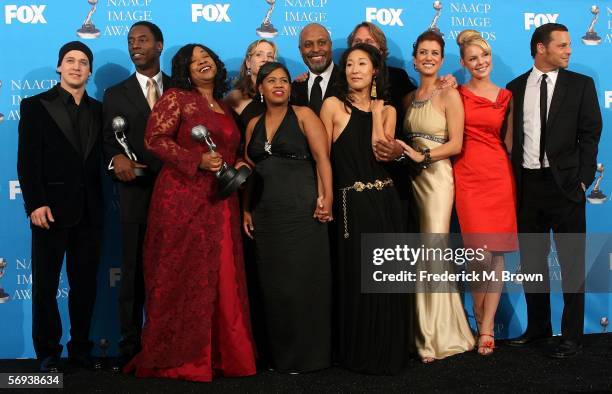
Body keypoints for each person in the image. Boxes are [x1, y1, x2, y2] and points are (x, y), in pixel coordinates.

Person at [124, 44, 256, 381]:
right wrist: (195, 159)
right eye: (194, 61)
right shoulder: (176, 99)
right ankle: (183, 359)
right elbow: (154, 138)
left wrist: (238, 162)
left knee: (223, 275)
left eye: (207, 57)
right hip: (182, 200)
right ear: (185, 69)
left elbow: (231, 148)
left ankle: (224, 357)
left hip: (221, 201)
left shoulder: (225, 106)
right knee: (183, 276)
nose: (203, 63)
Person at [506, 23, 602, 358]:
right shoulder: (514, 87)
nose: (569, 50)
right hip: (528, 186)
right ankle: (538, 328)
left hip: (566, 188)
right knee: (533, 261)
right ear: (540, 48)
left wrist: (583, 179)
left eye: (569, 44)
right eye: (561, 45)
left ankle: (572, 334)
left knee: (572, 263)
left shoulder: (581, 85)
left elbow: (590, 134)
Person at [320, 43, 408, 375]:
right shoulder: (331, 106)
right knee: (357, 278)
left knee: (387, 278)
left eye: (363, 64)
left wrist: (376, 110)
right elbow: (323, 159)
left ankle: (388, 352)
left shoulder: (387, 110)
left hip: (384, 200)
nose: (355, 69)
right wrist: (324, 197)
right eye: (350, 64)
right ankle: (359, 354)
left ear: (374, 71)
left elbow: (380, 151)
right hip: (350, 204)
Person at [17, 41, 103, 373]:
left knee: (85, 287)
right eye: (70, 61)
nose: (76, 66)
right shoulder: (35, 106)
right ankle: (48, 353)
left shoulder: (99, 110)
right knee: (45, 286)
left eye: (83, 62)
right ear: (59, 67)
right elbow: (27, 161)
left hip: (91, 211)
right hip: (49, 211)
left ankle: (81, 349)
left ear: (90, 71)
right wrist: (35, 203)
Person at [243, 62, 333, 373]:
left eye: (284, 80)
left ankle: (309, 357)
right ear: (260, 88)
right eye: (271, 80)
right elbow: (249, 170)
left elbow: (323, 159)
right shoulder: (253, 124)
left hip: (301, 205)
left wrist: (327, 198)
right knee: (274, 286)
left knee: (302, 282)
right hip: (265, 211)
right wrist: (245, 208)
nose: (279, 84)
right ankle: (278, 357)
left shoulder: (305, 115)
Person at [397, 30, 475, 363]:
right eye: (423, 53)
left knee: (434, 247)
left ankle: (440, 336)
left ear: (442, 60)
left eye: (435, 54)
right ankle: (420, 333)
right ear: (414, 59)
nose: (428, 58)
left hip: (437, 178)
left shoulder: (449, 95)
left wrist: (423, 158)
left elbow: (456, 144)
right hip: (413, 179)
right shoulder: (408, 98)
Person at [102, 21, 171, 370]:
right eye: (131, 41)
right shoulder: (115, 93)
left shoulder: (179, 89)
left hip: (176, 198)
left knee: (173, 274)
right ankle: (130, 348)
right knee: (132, 275)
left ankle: (170, 345)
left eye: (143, 40)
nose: (136, 46)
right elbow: (106, 143)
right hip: (134, 197)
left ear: (159, 45)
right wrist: (114, 158)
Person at [453, 29, 517, 355]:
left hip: (498, 177)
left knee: (497, 254)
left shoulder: (506, 96)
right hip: (467, 176)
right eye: (473, 58)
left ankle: (487, 324)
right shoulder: (456, 93)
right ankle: (478, 313)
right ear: (463, 63)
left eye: (485, 56)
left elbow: (510, 142)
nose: (480, 62)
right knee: (479, 254)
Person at [225, 39, 277, 131]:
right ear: (248, 63)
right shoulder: (236, 96)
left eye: (270, 56)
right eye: (259, 55)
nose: (265, 59)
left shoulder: (283, 93)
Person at [291, 23, 339, 115]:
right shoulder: (294, 88)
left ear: (330, 45)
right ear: (300, 50)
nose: (316, 49)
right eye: (308, 45)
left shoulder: (348, 81)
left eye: (321, 43)